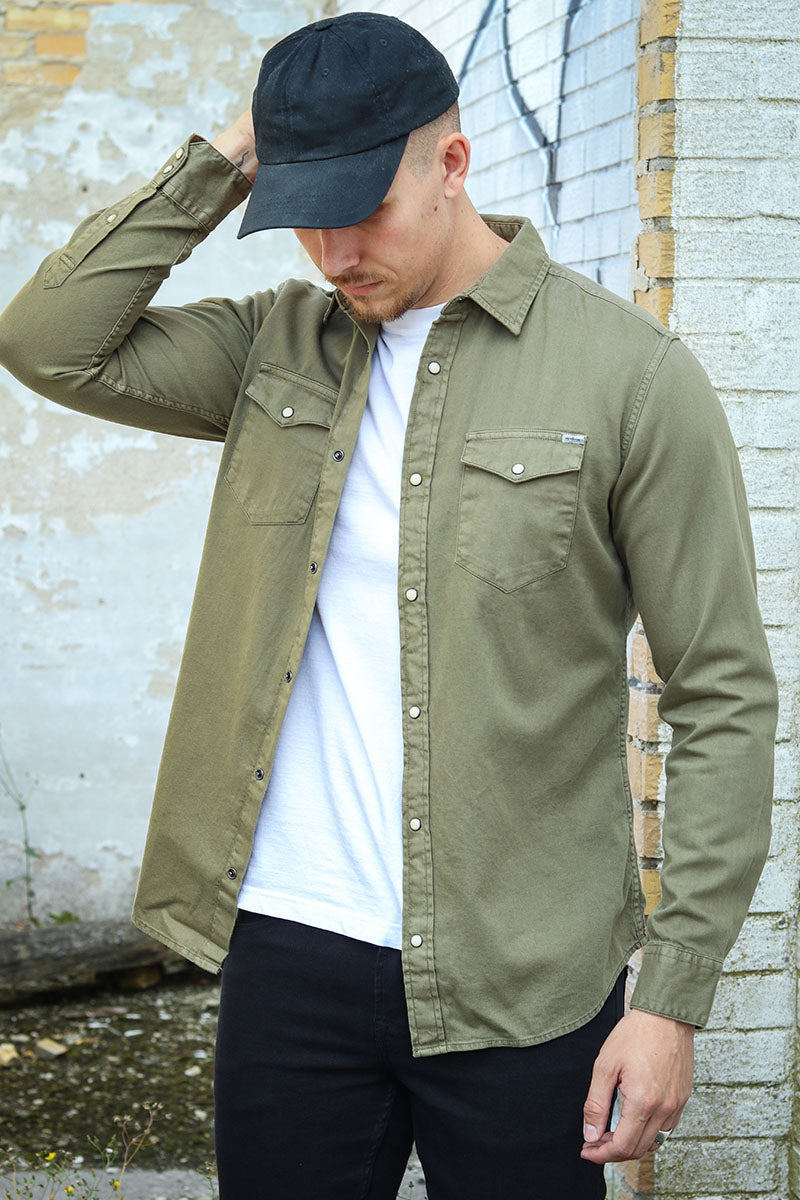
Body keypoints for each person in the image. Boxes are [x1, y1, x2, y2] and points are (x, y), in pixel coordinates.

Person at [0, 12, 778, 1199]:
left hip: (523, 974)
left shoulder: (628, 377)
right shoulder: (273, 349)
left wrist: (669, 999)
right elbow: (47, 342)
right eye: (304, 214)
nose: (332, 251)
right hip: (290, 949)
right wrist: (232, 153)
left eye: (361, 208)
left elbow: (720, 693)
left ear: (450, 163)